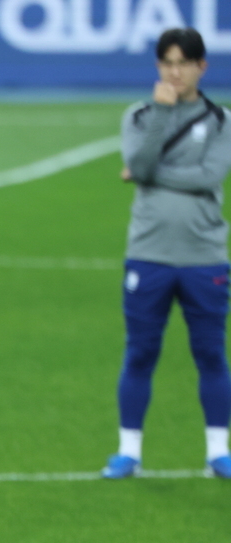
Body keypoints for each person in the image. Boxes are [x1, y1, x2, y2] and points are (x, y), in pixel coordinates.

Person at [104, 27, 231, 480]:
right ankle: (128, 451)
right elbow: (139, 166)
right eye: (167, 62)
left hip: (205, 255)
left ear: (202, 66)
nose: (174, 72)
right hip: (148, 254)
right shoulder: (140, 115)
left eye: (183, 63)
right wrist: (162, 114)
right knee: (140, 354)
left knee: (211, 354)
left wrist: (146, 172)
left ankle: (219, 450)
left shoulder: (221, 120)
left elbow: (207, 176)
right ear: (158, 66)